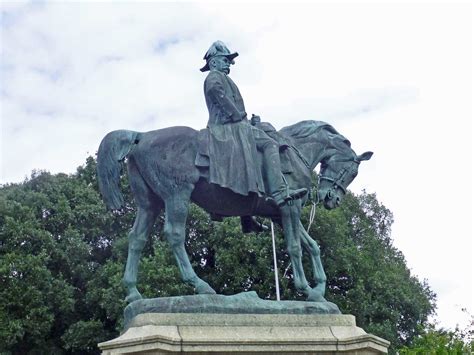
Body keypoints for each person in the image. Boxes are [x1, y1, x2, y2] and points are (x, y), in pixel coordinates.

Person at [198, 40, 306, 208]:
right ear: (213, 62)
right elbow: (215, 92)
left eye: (229, 61)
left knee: (264, 132)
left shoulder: (224, 78)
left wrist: (249, 121)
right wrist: (237, 115)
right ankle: (278, 192)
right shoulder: (214, 76)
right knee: (270, 144)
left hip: (237, 123)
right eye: (225, 60)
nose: (229, 64)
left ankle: (248, 215)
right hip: (228, 126)